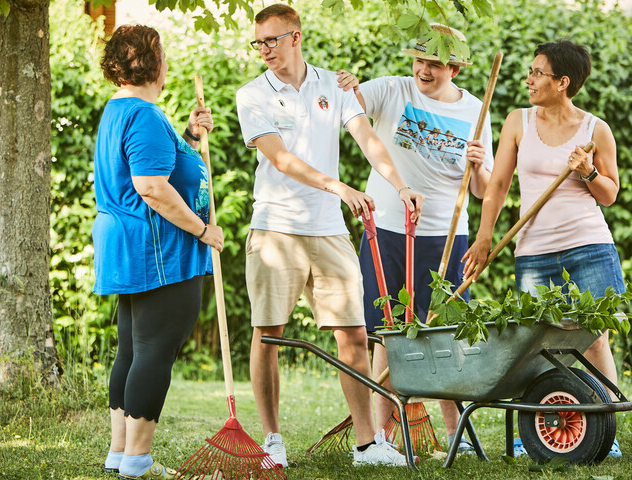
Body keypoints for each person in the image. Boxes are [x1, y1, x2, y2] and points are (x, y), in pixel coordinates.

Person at [235, 3, 425, 468]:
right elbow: (279, 159)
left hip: (328, 231)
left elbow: (366, 137)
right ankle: (273, 440)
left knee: (355, 335)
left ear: (296, 37)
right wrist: (338, 186)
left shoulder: (333, 86)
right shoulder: (252, 94)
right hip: (275, 227)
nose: (264, 50)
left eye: (272, 40)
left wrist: (401, 185)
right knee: (269, 335)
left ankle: (366, 444)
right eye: (258, 43)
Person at [461, 39, 624, 458]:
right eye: (530, 71)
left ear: (562, 83)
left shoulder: (595, 129)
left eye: (538, 73)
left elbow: (609, 194)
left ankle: (605, 431)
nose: (529, 79)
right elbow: (496, 186)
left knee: (593, 339)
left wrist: (588, 171)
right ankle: (535, 424)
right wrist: (484, 237)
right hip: (533, 250)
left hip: (587, 245)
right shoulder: (518, 121)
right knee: (535, 345)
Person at [335, 23, 493, 453]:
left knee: (445, 332)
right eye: (420, 60)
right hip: (386, 225)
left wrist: (478, 165)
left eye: (436, 64)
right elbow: (344, 106)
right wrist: (348, 87)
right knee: (388, 329)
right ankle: (385, 436)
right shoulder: (392, 89)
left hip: (445, 234)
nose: (424, 70)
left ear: (455, 68)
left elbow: (481, 189)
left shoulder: (476, 110)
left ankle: (454, 433)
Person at [92, 24, 222, 479]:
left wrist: (186, 136)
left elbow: (158, 168)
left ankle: (120, 453)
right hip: (156, 251)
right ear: (156, 63)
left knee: (132, 350)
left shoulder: (122, 110)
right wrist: (202, 229)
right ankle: (137, 461)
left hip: (132, 245)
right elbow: (151, 187)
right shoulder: (144, 114)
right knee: (154, 350)